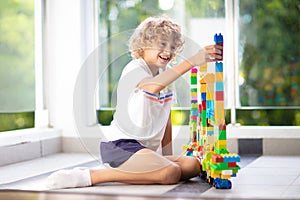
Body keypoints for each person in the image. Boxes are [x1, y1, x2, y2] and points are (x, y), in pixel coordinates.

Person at [46, 15, 222, 189]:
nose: (168, 51)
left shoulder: (166, 75)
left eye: (173, 46)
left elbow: (165, 118)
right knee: (171, 173)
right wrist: (193, 61)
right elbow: (152, 87)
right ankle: (93, 175)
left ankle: (153, 168)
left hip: (144, 150)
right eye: (162, 44)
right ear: (143, 46)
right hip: (121, 146)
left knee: (192, 165)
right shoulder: (134, 68)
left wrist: (166, 156)